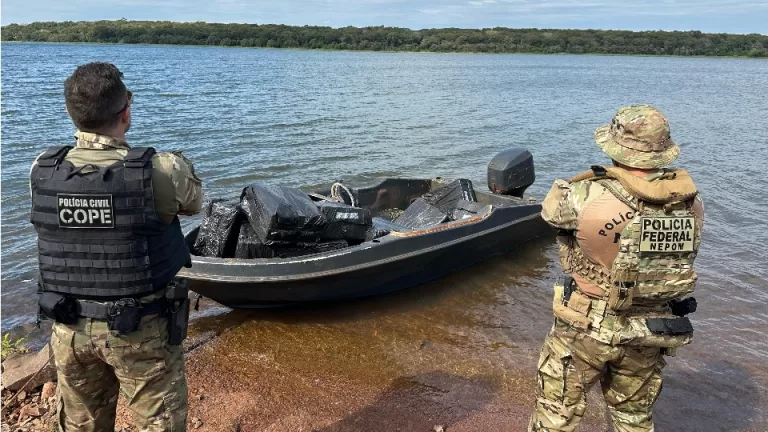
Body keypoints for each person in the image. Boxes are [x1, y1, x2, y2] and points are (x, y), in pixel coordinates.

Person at [29, 62, 203, 431]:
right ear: (126, 111)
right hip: (142, 329)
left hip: (69, 326)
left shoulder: (42, 169)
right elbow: (193, 204)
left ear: (69, 112)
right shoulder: (162, 170)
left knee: (81, 424)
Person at [528, 105, 704, 432]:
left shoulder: (584, 194)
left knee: (555, 415)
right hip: (651, 327)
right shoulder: (691, 201)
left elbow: (550, 213)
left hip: (585, 325)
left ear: (614, 147)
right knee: (634, 419)